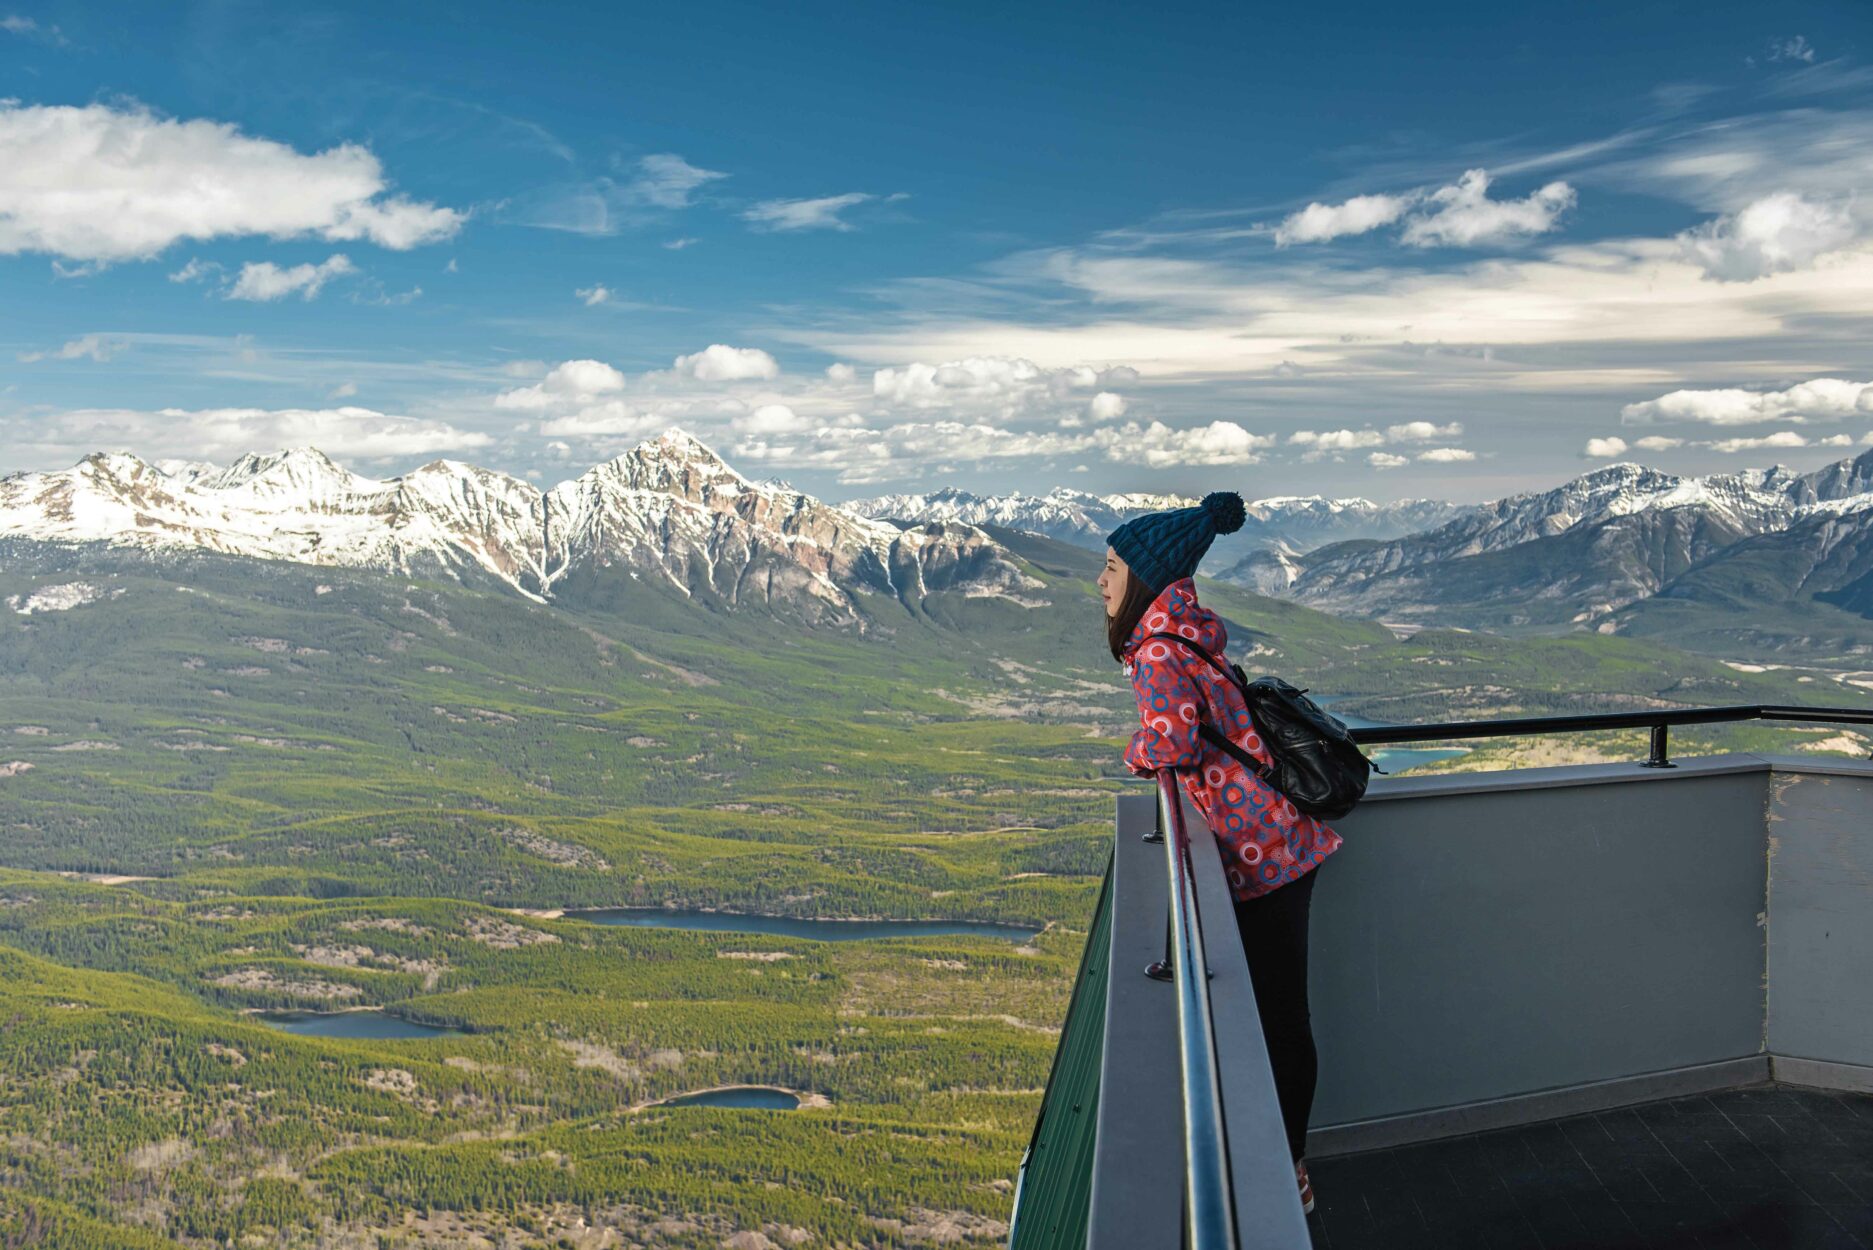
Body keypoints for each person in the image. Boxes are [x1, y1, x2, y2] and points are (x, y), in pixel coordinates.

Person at [1097, 490, 1342, 1216]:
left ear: (1141, 578)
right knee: (1278, 1015)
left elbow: (1169, 741)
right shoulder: (1190, 632)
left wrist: (1132, 752)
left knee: (1279, 1019)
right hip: (1279, 841)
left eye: (1111, 568)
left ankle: (1287, 1165)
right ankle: (1281, 1155)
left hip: (1264, 856)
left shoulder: (1157, 652)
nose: (1101, 583)